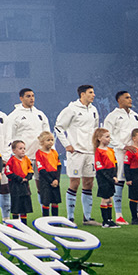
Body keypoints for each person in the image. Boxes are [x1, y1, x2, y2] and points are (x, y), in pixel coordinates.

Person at [53, 85, 100, 224]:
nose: (94, 95)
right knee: (74, 183)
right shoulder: (71, 109)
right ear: (82, 94)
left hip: (90, 152)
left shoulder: (94, 110)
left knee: (89, 183)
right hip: (76, 152)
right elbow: (58, 127)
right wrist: (67, 144)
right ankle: (70, 218)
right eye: (91, 92)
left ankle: (87, 218)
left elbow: (96, 129)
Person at [101, 92, 138, 222]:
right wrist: (122, 146)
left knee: (136, 182)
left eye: (130, 97)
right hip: (120, 153)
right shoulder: (112, 116)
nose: (130, 99)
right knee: (119, 181)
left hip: (135, 154)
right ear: (119, 100)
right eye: (127, 97)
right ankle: (118, 214)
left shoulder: (135, 115)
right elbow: (107, 135)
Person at [5, 89, 50, 163]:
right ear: (21, 98)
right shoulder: (14, 116)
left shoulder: (40, 114)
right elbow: (9, 137)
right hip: (23, 158)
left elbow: (47, 135)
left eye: (33, 96)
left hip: (41, 157)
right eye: (28, 96)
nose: (31, 98)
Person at [92, 128, 122, 228]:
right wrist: (110, 178)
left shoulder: (111, 150)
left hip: (111, 176)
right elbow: (100, 168)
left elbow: (115, 164)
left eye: (109, 137)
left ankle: (110, 219)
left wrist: (114, 176)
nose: (109, 139)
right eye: (107, 137)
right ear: (99, 138)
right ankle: (105, 222)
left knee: (110, 198)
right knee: (105, 199)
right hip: (103, 178)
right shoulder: (98, 151)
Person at [34, 131, 63, 220]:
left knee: (55, 201)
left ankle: (55, 221)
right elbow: (41, 169)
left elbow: (59, 166)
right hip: (45, 179)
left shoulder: (54, 152)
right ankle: (45, 221)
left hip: (55, 178)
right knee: (46, 201)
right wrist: (51, 180)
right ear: (42, 142)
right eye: (48, 140)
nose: (50, 142)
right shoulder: (39, 153)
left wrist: (56, 179)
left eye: (52, 140)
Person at [5, 140, 34, 223]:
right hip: (15, 186)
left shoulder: (26, 159)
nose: (23, 150)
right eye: (20, 148)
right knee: (16, 206)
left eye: (24, 148)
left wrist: (27, 178)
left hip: (25, 186)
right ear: (14, 151)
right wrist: (19, 179)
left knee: (24, 206)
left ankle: (24, 224)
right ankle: (15, 223)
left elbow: (30, 170)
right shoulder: (12, 160)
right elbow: (8, 172)